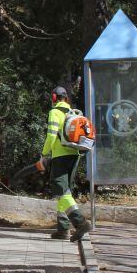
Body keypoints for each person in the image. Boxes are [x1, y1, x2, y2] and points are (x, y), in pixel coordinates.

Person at [41, 86, 92, 241]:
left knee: (60, 189)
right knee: (65, 192)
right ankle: (63, 229)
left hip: (60, 156)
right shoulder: (74, 113)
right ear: (67, 99)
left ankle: (80, 222)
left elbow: (50, 136)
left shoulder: (54, 112)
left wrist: (44, 154)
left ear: (54, 98)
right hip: (74, 154)